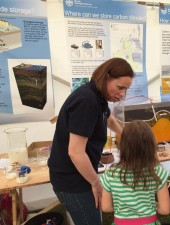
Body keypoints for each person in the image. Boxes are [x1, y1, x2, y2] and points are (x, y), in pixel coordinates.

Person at [48, 57, 134, 225]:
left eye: (126, 89)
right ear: (107, 77)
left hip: (80, 174)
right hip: (73, 180)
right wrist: (96, 182)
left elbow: (108, 118)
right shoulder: (87, 101)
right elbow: (75, 152)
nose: (122, 94)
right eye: (120, 87)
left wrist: (125, 134)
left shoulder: (98, 96)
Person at [100, 120, 170, 225]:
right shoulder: (157, 172)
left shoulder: (111, 174)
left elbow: (106, 207)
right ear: (151, 146)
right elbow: (165, 210)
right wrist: (153, 206)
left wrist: (123, 208)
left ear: (122, 145)